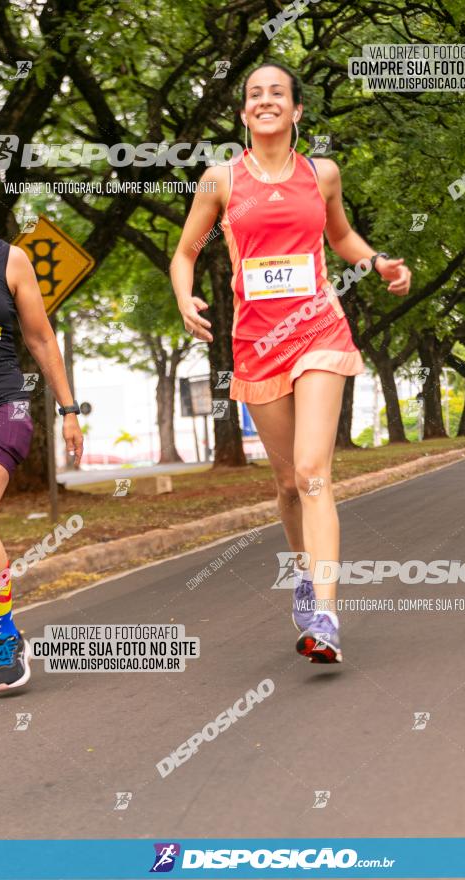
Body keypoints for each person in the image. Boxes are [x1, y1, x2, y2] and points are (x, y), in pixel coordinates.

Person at [171, 63, 411, 663]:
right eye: (255, 94)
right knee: (285, 484)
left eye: (278, 93)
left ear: (297, 111)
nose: (266, 100)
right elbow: (184, 252)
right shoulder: (219, 180)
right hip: (256, 344)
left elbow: (342, 238)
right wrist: (184, 296)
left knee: (312, 471)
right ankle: (306, 575)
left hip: (319, 332)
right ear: (244, 113)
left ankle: (325, 614)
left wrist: (378, 261)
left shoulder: (321, 174)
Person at [0, 156, 83, 694]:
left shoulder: (9, 260)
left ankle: (2, 638)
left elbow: (40, 340)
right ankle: (1, 632)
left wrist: (68, 410)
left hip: (3, 406)